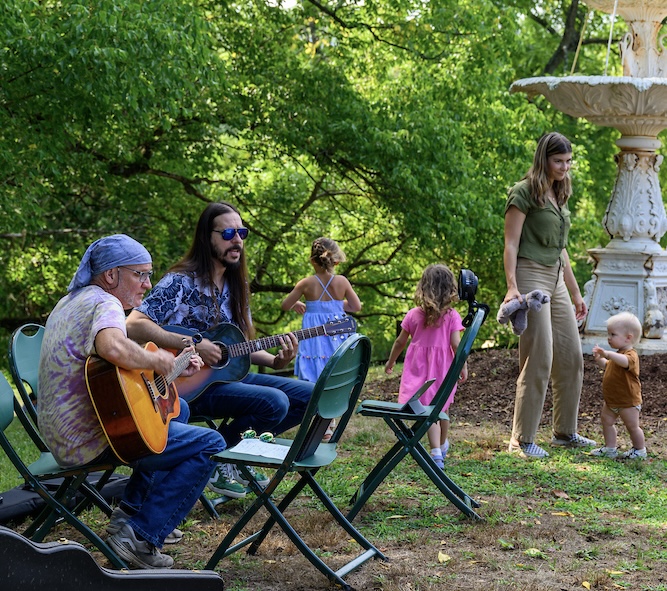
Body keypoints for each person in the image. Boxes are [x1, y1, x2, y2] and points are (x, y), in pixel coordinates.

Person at [38, 234, 225, 569]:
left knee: (179, 412)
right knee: (210, 443)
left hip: (67, 432)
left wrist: (174, 366)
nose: (147, 284)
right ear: (111, 275)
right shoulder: (105, 303)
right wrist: (157, 361)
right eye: (140, 274)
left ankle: (130, 513)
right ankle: (140, 536)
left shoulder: (70, 301)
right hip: (92, 438)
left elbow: (112, 378)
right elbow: (112, 348)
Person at [126, 202, 314, 499]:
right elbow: (133, 324)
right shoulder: (181, 281)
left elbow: (237, 349)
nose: (237, 239)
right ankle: (221, 459)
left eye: (241, 232)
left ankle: (227, 458)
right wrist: (191, 343)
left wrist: (276, 361)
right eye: (227, 232)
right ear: (207, 237)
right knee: (275, 402)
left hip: (226, 377)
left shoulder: (237, 286)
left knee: (310, 395)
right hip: (183, 386)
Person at [503, 131, 596, 459]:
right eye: (559, 161)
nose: (565, 167)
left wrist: (574, 292)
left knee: (571, 355)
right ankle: (522, 439)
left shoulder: (560, 191)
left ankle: (564, 432)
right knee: (539, 355)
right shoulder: (524, 192)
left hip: (556, 279)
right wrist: (513, 286)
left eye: (569, 161)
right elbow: (511, 243)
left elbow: (562, 249)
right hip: (530, 275)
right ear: (543, 159)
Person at [384, 263, 467, 468]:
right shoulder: (452, 316)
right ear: (450, 289)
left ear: (424, 287)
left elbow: (400, 342)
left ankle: (438, 450)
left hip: (418, 371)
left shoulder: (414, 314)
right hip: (442, 371)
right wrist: (463, 366)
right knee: (440, 408)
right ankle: (439, 447)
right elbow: (456, 345)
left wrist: (391, 360)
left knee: (428, 410)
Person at [281, 236, 362, 382]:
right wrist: (335, 305)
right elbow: (355, 306)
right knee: (335, 362)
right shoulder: (342, 282)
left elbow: (285, 305)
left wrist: (297, 303)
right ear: (335, 261)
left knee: (314, 364)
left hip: (313, 336)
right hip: (337, 333)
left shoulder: (305, 283)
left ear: (312, 261)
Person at [591, 312, 646, 460]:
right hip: (612, 400)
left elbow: (625, 362)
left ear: (628, 337)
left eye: (613, 334)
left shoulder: (630, 355)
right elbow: (607, 365)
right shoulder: (617, 354)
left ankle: (639, 450)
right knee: (606, 421)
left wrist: (607, 353)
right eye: (608, 334)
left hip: (628, 401)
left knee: (632, 426)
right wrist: (599, 359)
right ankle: (610, 447)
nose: (609, 338)